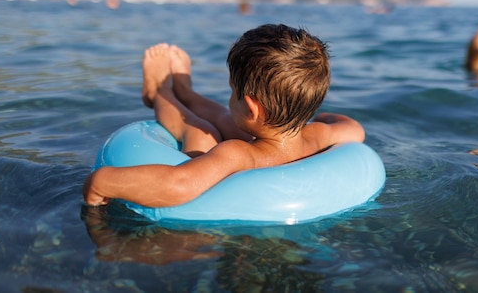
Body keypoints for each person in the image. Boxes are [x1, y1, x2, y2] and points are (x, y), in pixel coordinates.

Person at [83, 24, 365, 207]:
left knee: (199, 131)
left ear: (253, 108)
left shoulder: (237, 154)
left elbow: (178, 185)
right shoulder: (321, 135)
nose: (230, 99)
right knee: (225, 121)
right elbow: (354, 129)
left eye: (232, 92)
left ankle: (160, 92)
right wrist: (309, 114)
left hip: (222, 198)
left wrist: (101, 181)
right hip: (285, 132)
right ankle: (187, 93)